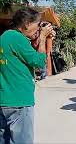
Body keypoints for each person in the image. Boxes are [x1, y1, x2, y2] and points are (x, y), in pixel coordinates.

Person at [0, 8, 55, 143]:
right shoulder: (16, 38)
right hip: (19, 101)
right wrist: (42, 38)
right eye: (37, 25)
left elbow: (26, 56)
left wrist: (39, 38)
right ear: (26, 24)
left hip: (5, 99)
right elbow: (38, 62)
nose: (38, 29)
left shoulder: (6, 37)